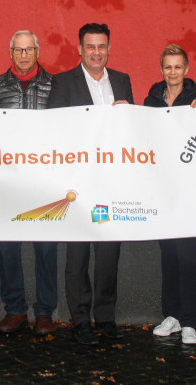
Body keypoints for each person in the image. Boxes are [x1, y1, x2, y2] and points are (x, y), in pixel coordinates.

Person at [47, 22, 134, 346]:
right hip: (78, 184)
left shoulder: (122, 81)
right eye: (90, 47)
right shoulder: (64, 82)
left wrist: (129, 116)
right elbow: (55, 130)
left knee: (110, 253)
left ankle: (106, 316)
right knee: (78, 255)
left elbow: (131, 133)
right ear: (80, 49)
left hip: (111, 183)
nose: (96, 52)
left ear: (109, 49)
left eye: (102, 47)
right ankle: (81, 319)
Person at [0, 30, 56, 335]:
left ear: (38, 51)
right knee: (8, 247)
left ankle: (44, 312)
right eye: (18, 50)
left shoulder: (56, 85)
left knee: (46, 248)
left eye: (29, 50)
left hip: (44, 180)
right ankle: (14, 310)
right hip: (7, 182)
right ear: (10, 52)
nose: (24, 55)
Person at [145, 44, 196, 345]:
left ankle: (190, 322)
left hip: (190, 192)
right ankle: (171, 316)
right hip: (162, 189)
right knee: (168, 255)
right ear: (162, 69)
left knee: (188, 257)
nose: (172, 72)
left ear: (186, 69)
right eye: (167, 66)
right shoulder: (151, 99)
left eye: (178, 66)